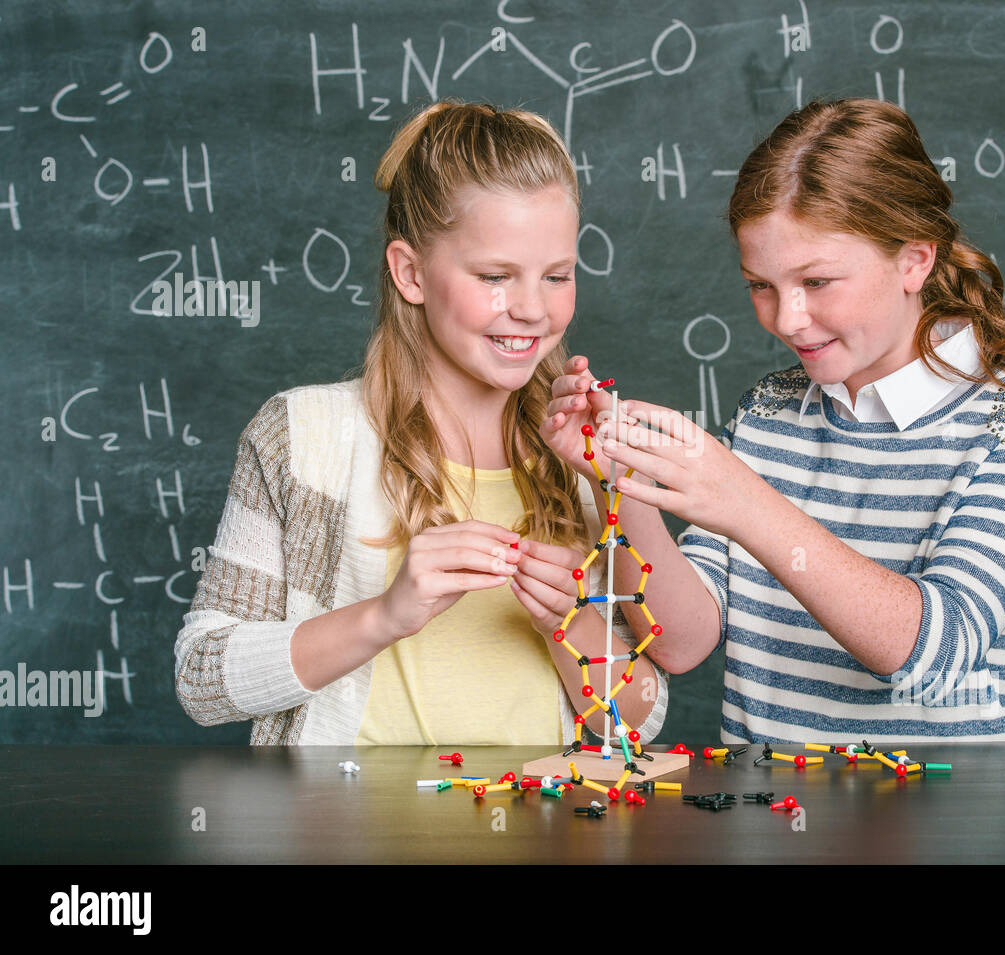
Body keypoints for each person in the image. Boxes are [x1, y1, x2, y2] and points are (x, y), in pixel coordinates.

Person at [543, 98, 1005, 745]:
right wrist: (624, 484)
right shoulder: (770, 410)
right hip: (768, 825)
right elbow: (683, 641)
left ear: (914, 259)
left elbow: (933, 653)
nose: (787, 319)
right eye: (761, 285)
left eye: (819, 281)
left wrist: (748, 503)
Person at [174, 101, 667, 745]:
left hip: (544, 833)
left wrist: (568, 627)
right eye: (495, 276)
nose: (531, 309)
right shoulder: (304, 436)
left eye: (557, 276)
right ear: (410, 273)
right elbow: (201, 679)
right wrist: (384, 616)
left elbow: (641, 719)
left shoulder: (577, 453)